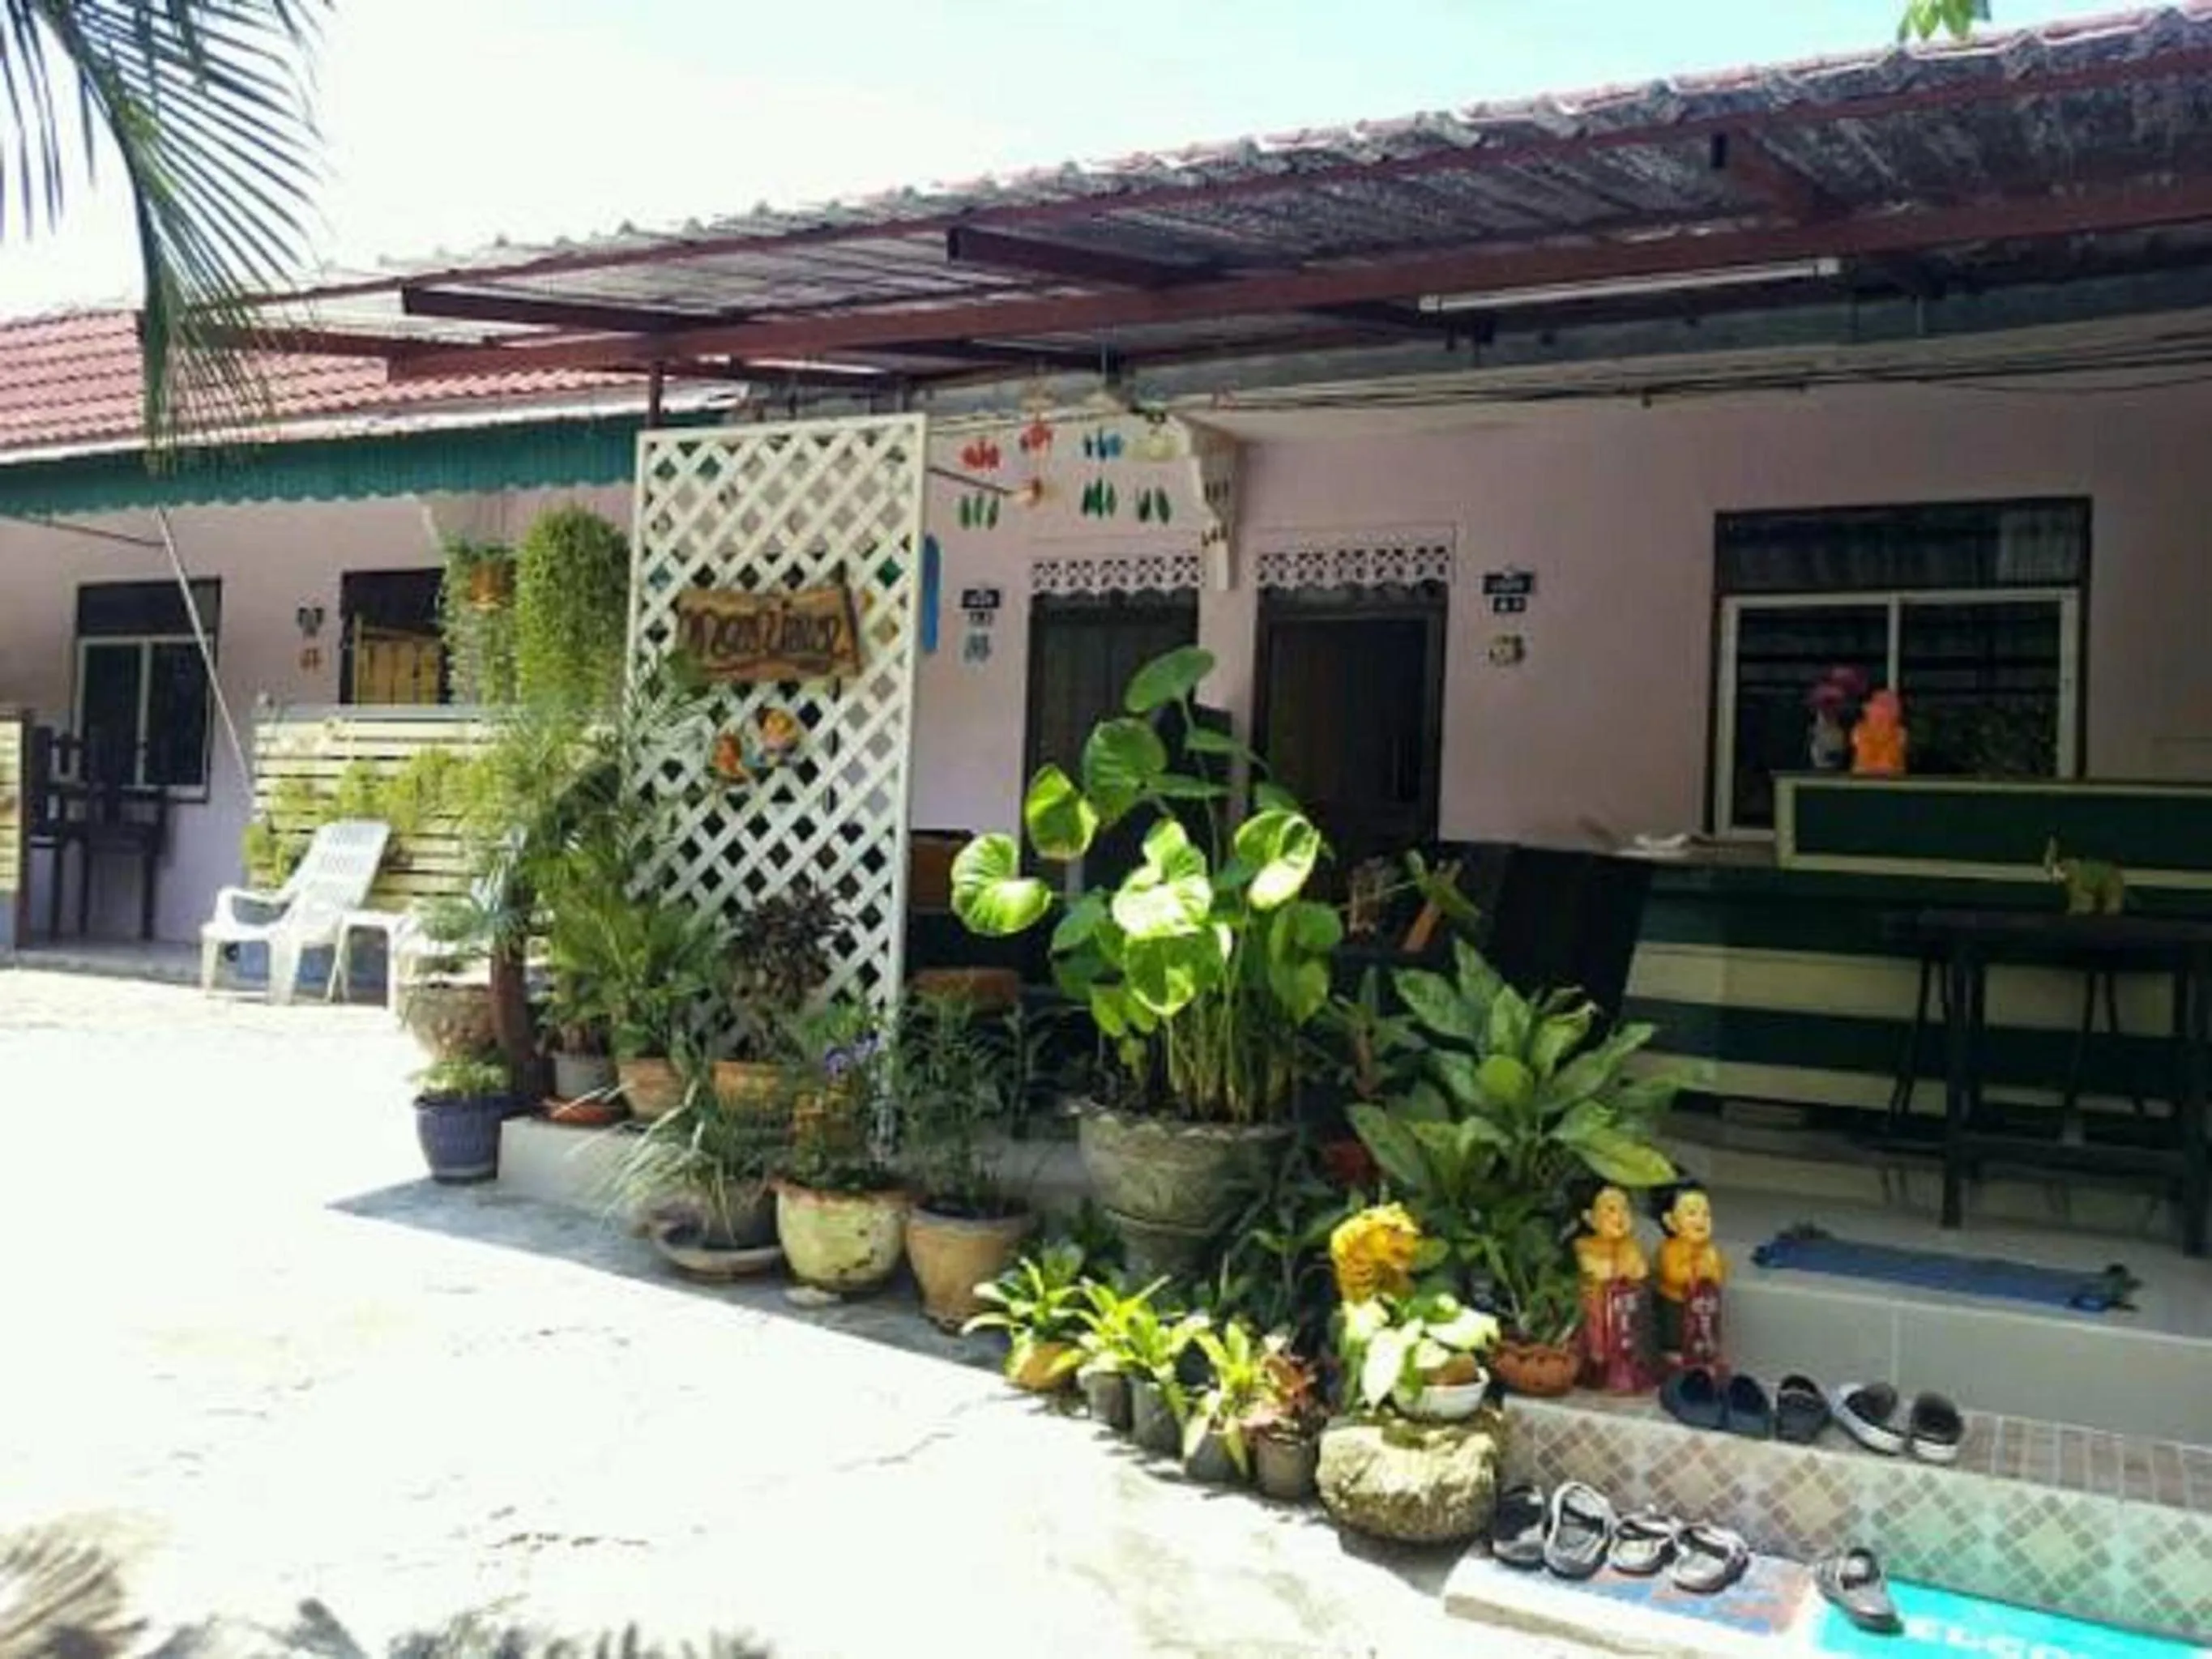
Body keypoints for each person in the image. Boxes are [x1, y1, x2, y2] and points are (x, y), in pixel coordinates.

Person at [1573, 1183, 1654, 1392]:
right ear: (1590, 1218)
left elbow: (1639, 1272)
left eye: (1625, 1209)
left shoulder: (1632, 1246)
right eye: (1610, 1209)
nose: (1620, 1216)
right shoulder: (1583, 1246)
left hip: (1624, 1318)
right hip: (1597, 1317)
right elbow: (1599, 1272)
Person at [1653, 1182, 1727, 1372]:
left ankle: (1705, 1362)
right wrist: (1699, 1269)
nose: (1701, 1220)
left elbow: (1719, 1273)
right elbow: (1674, 1275)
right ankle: (1675, 1365)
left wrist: (1712, 1269)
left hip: (1704, 1306)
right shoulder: (1669, 1249)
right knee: (1675, 1339)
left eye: (1706, 1214)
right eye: (1692, 1214)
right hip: (1677, 1304)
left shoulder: (1711, 1250)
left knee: (1705, 1338)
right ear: (1670, 1221)